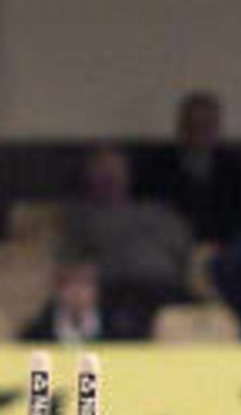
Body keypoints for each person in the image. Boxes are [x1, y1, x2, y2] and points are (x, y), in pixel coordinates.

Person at [62, 143, 194, 337]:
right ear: (89, 176)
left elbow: (182, 247)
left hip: (167, 288)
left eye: (115, 169)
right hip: (118, 291)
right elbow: (74, 262)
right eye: (101, 169)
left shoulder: (157, 212)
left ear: (128, 173)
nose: (109, 176)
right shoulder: (81, 217)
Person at [138, 90, 241, 243]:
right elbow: (153, 215)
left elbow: (239, 219)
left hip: (222, 249)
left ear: (216, 128)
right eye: (193, 126)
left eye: (206, 126)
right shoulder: (157, 166)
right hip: (171, 247)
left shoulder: (233, 167)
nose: (199, 133)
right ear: (181, 128)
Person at [19, 256, 121, 343]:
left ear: (96, 288)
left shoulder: (118, 330)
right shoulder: (36, 334)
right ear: (57, 288)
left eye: (84, 282)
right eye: (69, 283)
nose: (77, 291)